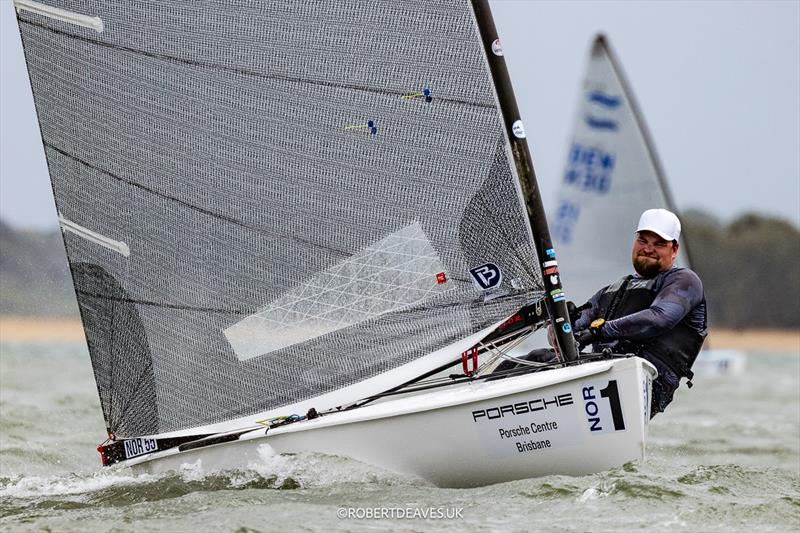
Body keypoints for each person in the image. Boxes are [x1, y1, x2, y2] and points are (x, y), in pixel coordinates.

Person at [572, 208, 707, 417]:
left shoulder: (684, 281)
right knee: (536, 358)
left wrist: (601, 331)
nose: (648, 249)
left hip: (645, 381)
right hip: (598, 373)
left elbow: (658, 320)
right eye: (643, 241)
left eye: (659, 244)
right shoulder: (614, 288)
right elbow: (573, 327)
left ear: (674, 249)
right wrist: (561, 320)